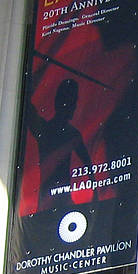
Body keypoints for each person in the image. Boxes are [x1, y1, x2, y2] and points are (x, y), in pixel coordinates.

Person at [25, 77, 93, 212]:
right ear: (61, 103)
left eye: (74, 102)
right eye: (71, 102)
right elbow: (27, 111)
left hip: (62, 202)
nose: (73, 106)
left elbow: (89, 167)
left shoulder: (72, 134)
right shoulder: (46, 129)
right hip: (49, 202)